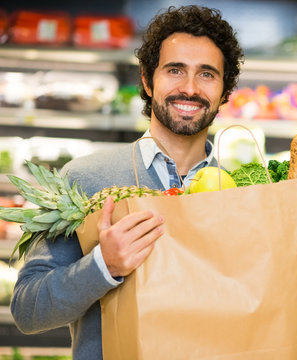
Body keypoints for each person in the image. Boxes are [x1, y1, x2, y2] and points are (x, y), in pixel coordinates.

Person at [10, 5, 243, 359]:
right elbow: (28, 310)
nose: (190, 88)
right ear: (148, 81)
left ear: (226, 91)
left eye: (207, 74)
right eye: (175, 70)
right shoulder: (84, 179)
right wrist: (104, 265)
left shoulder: (246, 193)